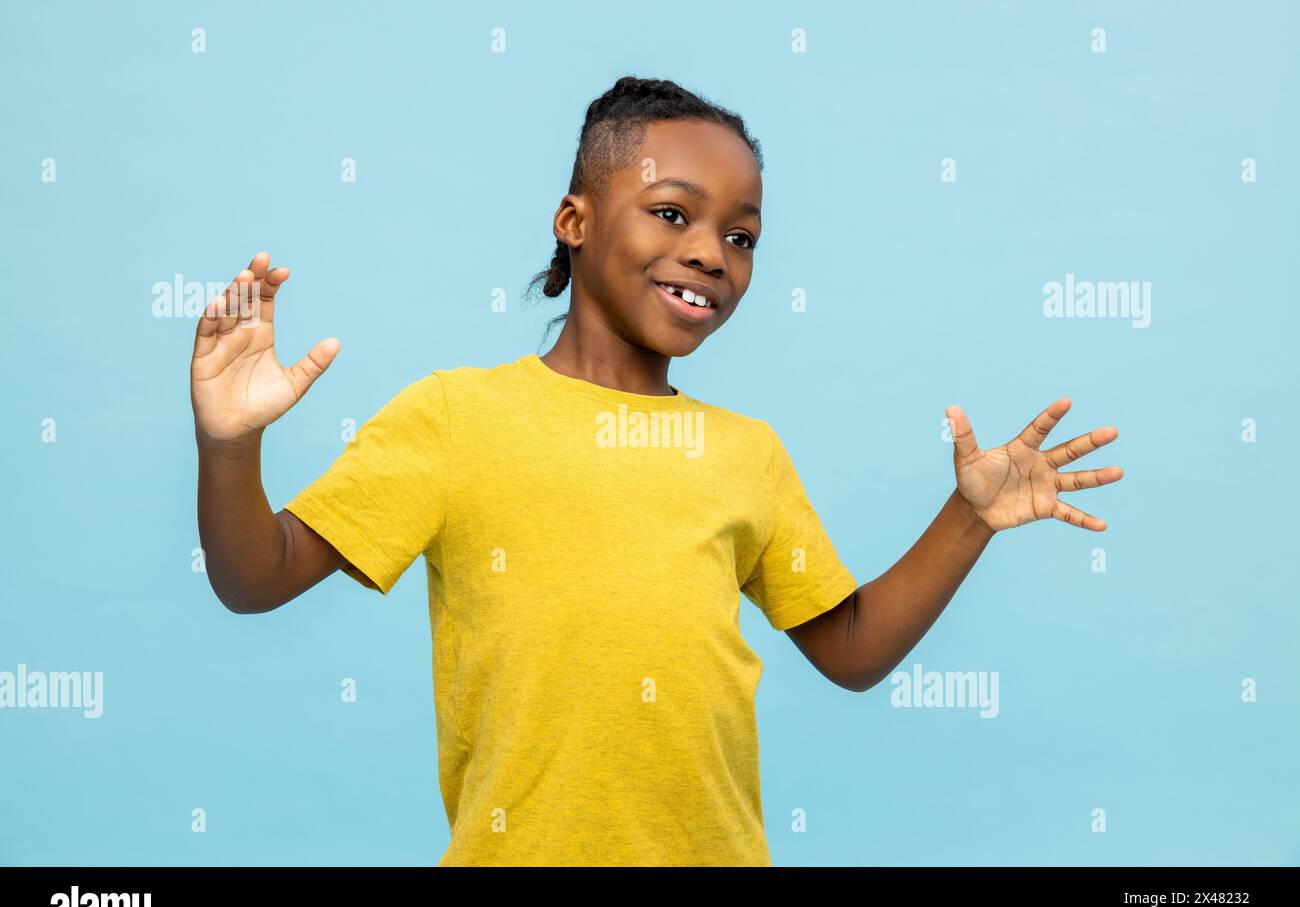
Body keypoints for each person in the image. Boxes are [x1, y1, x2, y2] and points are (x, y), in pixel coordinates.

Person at [190, 75, 1124, 866]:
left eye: (742, 237)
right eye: (672, 213)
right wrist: (231, 442)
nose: (710, 254)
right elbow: (253, 579)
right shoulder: (454, 417)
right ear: (575, 220)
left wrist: (969, 518)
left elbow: (852, 650)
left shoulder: (746, 452)